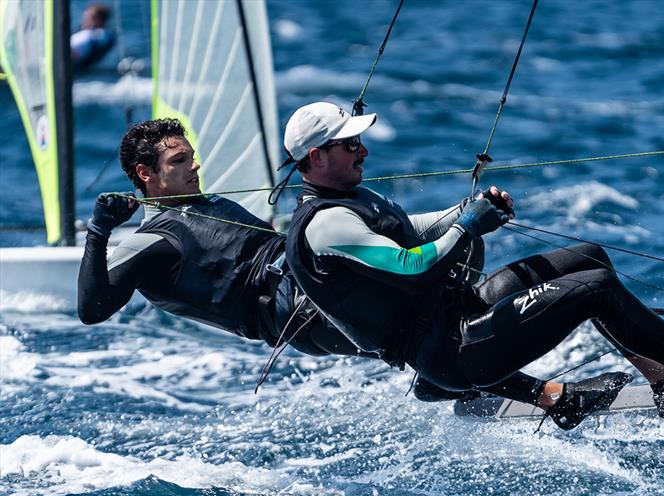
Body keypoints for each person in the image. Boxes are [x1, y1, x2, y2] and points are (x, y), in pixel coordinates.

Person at [281, 101, 664, 430]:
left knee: (588, 256)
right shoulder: (324, 226)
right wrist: (468, 228)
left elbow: (412, 228)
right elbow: (411, 263)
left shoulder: (351, 197)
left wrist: (469, 209)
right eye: (350, 144)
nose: (363, 149)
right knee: (592, 289)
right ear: (317, 157)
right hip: (451, 351)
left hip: (456, 313)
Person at [77, 118, 479, 402]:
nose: (195, 165)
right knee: (424, 305)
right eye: (179, 161)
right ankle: (479, 377)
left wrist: (459, 215)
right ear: (145, 173)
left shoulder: (208, 203)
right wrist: (99, 232)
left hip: (315, 274)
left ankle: (452, 373)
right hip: (302, 313)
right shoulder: (150, 242)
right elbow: (92, 309)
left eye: (192, 156)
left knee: (462, 241)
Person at [70, 3, 116, 71]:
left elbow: (74, 55)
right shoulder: (106, 36)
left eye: (89, 17)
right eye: (85, 17)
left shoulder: (91, 35)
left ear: (100, 20)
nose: (85, 21)